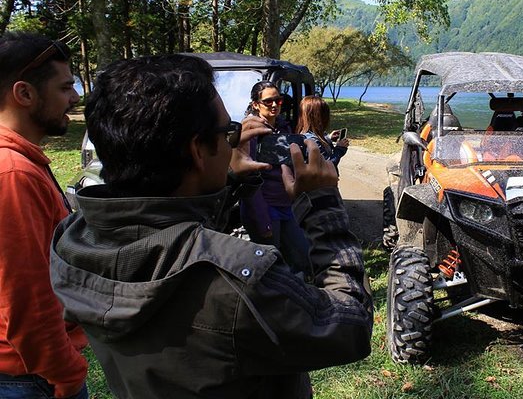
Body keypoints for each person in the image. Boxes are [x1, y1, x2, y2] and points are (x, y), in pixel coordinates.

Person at [49, 54, 373, 399]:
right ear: (197, 150)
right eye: (228, 132)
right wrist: (323, 205)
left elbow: (173, 233)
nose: (233, 140)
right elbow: (348, 326)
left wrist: (231, 180)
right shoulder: (237, 282)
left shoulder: (74, 240)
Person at [0, 32, 88, 398]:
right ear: (25, 94)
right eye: (66, 86)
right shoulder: (13, 175)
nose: (76, 97)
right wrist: (65, 373)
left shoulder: (18, 165)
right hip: (31, 376)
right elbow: (28, 299)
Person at [243, 81, 310, 274]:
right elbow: (250, 182)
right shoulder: (250, 133)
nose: (274, 105)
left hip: (285, 205)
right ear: (256, 104)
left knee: (301, 256)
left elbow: (287, 166)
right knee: (272, 263)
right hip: (264, 207)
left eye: (278, 100)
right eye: (268, 101)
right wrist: (262, 219)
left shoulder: (283, 128)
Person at [296, 95, 349, 170]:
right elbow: (327, 167)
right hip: (322, 181)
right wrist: (340, 149)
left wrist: (328, 139)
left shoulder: (306, 135)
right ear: (319, 117)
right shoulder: (312, 141)